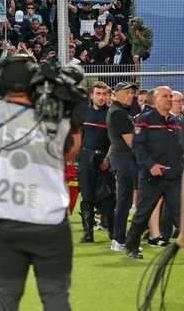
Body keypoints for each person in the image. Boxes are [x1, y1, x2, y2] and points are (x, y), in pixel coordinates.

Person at [0, 55, 82, 311]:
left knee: (5, 296)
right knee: (56, 296)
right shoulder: (55, 113)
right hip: (50, 221)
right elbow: (70, 153)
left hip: (6, 221)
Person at [123, 86, 183, 259]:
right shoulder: (144, 119)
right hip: (152, 177)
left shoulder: (176, 121)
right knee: (143, 212)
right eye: (165, 96)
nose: (169, 99)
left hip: (174, 176)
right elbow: (137, 147)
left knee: (181, 212)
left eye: (171, 96)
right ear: (155, 99)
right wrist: (151, 166)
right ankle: (131, 245)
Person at [76, 81, 115, 243]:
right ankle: (88, 233)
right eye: (98, 94)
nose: (101, 97)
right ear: (91, 95)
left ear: (108, 96)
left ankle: (113, 233)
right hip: (86, 158)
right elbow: (77, 134)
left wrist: (107, 158)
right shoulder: (83, 113)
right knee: (87, 196)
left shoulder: (112, 114)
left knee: (109, 196)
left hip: (106, 159)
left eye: (104, 94)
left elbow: (115, 139)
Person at [106, 81, 139, 253]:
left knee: (124, 200)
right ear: (115, 94)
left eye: (132, 93)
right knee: (124, 201)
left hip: (122, 159)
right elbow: (131, 142)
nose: (130, 96)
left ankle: (119, 238)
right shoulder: (119, 113)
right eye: (127, 92)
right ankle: (119, 239)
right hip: (124, 160)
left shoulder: (121, 112)